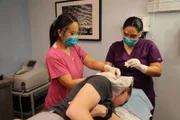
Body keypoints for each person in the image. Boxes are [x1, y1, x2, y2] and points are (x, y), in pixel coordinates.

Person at [44, 13, 120, 110]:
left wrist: (106, 67)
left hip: (73, 99)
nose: (75, 36)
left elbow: (90, 62)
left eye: (77, 33)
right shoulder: (53, 56)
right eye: (72, 33)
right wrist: (99, 77)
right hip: (58, 104)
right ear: (60, 32)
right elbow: (69, 83)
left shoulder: (73, 47)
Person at [105, 16, 163, 117]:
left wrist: (142, 67)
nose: (128, 38)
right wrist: (110, 70)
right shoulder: (115, 46)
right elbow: (106, 66)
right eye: (126, 34)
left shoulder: (148, 45)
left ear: (140, 34)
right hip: (120, 95)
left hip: (142, 94)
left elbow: (158, 71)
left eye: (133, 36)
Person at [29, 73, 133, 120]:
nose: (122, 105)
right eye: (125, 102)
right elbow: (74, 111)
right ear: (125, 91)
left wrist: (105, 112)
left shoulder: (108, 106)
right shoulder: (103, 82)